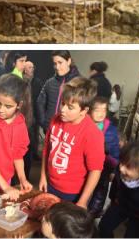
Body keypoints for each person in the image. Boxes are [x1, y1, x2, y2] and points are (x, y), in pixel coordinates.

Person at [39, 77, 104, 207]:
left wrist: (83, 201)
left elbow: (95, 170)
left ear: (84, 111)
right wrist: (43, 176)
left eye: (70, 107)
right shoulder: (55, 119)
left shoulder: (92, 134)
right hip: (51, 184)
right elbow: (47, 149)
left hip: (72, 193)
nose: (62, 110)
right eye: (62, 103)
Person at [87, 97, 120, 217]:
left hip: (104, 167)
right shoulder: (84, 124)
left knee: (100, 189)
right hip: (85, 166)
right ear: (89, 110)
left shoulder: (110, 129)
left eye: (104, 110)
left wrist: (114, 169)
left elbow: (115, 150)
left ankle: (94, 213)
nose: (101, 114)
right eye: (97, 110)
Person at [35, 50, 80, 133]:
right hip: (49, 128)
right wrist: (44, 122)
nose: (57, 67)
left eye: (60, 62)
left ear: (69, 61)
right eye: (55, 63)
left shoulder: (79, 83)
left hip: (69, 131)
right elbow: (40, 102)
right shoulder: (50, 82)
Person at [24, 61, 44, 161]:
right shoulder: (21, 81)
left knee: (35, 133)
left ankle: (34, 152)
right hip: (25, 112)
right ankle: (25, 153)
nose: (32, 69)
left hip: (35, 111)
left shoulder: (38, 82)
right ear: (24, 69)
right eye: (29, 67)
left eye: (32, 67)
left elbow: (41, 98)